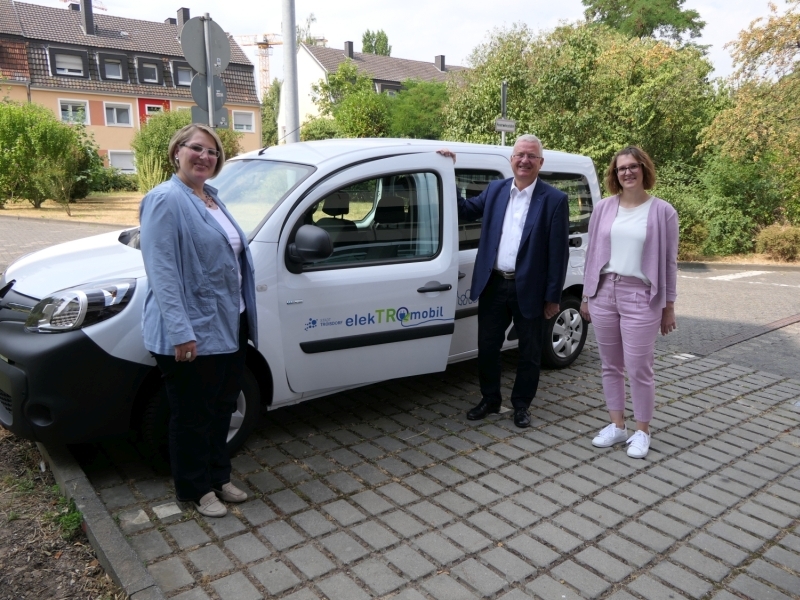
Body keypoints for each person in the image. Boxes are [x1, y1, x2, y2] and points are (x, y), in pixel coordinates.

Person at [139, 124, 258, 517]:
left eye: (212, 152)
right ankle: (194, 489)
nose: (205, 157)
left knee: (222, 406)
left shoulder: (211, 198)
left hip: (229, 322)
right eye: (197, 149)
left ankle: (218, 476)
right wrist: (181, 332)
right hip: (191, 332)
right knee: (192, 415)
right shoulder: (165, 200)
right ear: (177, 152)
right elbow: (163, 271)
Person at [439, 134, 570, 428]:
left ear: (540, 163)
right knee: (487, 347)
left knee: (530, 352)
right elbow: (463, 209)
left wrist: (553, 298)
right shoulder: (496, 190)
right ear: (511, 159)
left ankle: (521, 405)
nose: (524, 160)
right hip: (494, 284)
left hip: (531, 290)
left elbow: (558, 253)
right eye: (520, 155)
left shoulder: (554, 200)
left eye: (531, 156)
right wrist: (448, 171)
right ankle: (490, 399)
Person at [580, 146, 678, 459]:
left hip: (641, 296)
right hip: (604, 292)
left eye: (633, 166)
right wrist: (586, 295)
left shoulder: (663, 212)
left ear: (644, 169)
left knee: (639, 368)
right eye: (621, 168)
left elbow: (669, 262)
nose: (627, 172)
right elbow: (592, 253)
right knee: (610, 365)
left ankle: (642, 431)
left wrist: (669, 306)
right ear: (615, 174)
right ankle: (617, 425)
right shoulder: (604, 208)